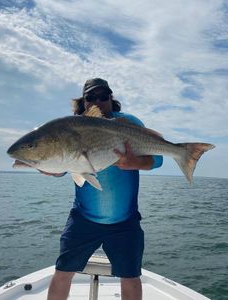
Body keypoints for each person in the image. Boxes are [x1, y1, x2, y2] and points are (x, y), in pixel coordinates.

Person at [45, 78, 163, 300]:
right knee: (62, 271)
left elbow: (157, 159)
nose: (98, 102)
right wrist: (51, 168)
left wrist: (135, 163)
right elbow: (63, 165)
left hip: (125, 220)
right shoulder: (73, 127)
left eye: (103, 96)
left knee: (130, 276)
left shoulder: (128, 122)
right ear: (83, 102)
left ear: (112, 98)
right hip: (83, 217)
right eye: (91, 97)